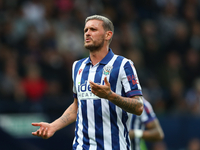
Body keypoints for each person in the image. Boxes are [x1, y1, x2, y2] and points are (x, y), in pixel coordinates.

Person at [32, 15, 144, 150]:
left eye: (93, 29)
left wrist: (111, 96)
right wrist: (53, 126)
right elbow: (77, 105)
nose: (87, 33)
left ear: (108, 35)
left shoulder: (123, 65)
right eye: (85, 30)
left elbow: (138, 106)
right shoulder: (77, 67)